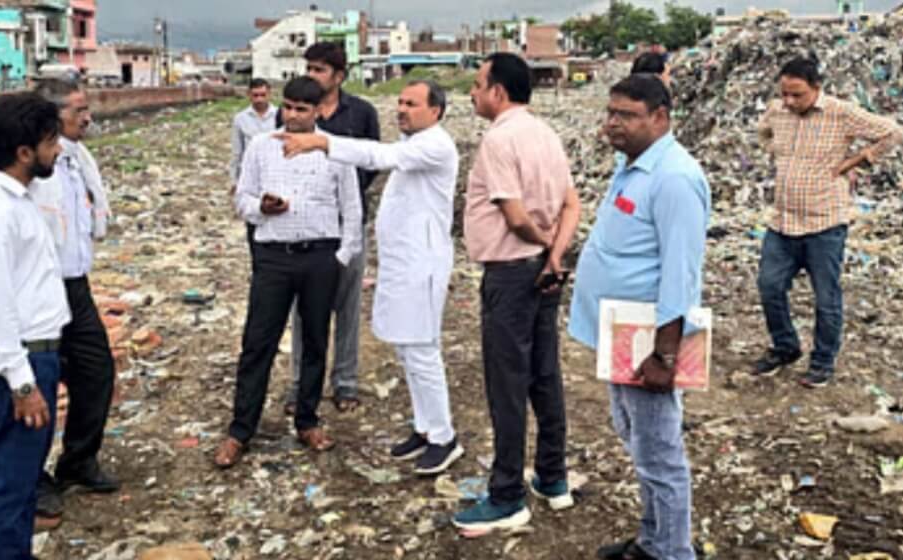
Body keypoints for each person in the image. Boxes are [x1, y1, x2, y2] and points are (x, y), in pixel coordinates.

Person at [275, 79, 463, 475]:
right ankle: (425, 427)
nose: (401, 109)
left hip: (422, 265)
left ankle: (444, 437)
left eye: (412, 103)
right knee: (407, 349)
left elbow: (377, 154)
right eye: (400, 102)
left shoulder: (435, 145)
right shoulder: (415, 144)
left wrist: (322, 142)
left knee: (422, 350)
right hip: (404, 264)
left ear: (436, 111)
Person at [568, 74, 710, 560]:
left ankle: (672, 551)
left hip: (649, 337)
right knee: (636, 438)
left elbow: (680, 274)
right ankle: (654, 539)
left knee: (659, 453)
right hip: (620, 331)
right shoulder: (634, 166)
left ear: (660, 117)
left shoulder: (675, 178)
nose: (613, 124)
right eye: (611, 113)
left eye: (626, 115)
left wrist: (665, 355)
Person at [452, 52, 582, 533]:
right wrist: (555, 256)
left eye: (478, 84)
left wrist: (545, 247)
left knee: (507, 384)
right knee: (544, 375)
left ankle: (507, 494)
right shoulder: (546, 134)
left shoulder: (499, 139)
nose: (472, 93)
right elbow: (571, 205)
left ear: (498, 91)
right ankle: (553, 476)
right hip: (542, 271)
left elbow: (515, 215)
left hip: (510, 274)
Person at [214, 76, 362, 467]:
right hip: (274, 257)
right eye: (289, 107)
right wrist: (261, 207)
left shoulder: (334, 150)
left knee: (315, 340)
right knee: (258, 342)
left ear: (318, 111)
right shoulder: (262, 147)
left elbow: (352, 209)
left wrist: (342, 257)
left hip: (320, 257)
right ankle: (240, 430)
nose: (293, 116)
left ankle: (307, 421)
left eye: (302, 109)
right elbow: (242, 199)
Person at [0, 92, 69, 559]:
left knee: (23, 478)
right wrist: (23, 385)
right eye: (50, 142)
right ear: (24, 152)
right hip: (18, 362)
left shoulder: (17, 200)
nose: (58, 150)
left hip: (35, 355)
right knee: (13, 479)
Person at [753, 56, 903, 387]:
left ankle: (822, 361)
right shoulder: (778, 111)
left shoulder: (840, 112)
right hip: (783, 221)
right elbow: (763, 132)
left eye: (797, 95)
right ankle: (785, 346)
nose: (789, 101)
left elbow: (893, 132)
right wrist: (777, 153)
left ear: (817, 88)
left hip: (825, 223)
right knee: (769, 285)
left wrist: (858, 161)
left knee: (826, 297)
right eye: (784, 94)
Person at [28, 79, 120, 523]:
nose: (87, 118)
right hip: (39, 289)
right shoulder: (33, 164)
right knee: (40, 383)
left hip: (75, 287)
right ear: (52, 115)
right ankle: (33, 478)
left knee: (96, 370)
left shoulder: (78, 158)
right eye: (78, 110)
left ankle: (78, 460)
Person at [282, 42, 381, 415]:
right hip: (306, 227)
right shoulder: (294, 115)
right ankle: (299, 386)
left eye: (320, 69)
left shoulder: (361, 113)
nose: (312, 75)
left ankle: (345, 382)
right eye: (308, 68)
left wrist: (343, 196)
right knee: (302, 310)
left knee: (348, 306)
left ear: (339, 76)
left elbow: (371, 162)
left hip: (348, 224)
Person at [230, 78, 279, 252]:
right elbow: (237, 152)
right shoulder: (240, 119)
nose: (259, 99)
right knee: (253, 217)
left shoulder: (279, 116)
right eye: (255, 95)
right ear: (248, 95)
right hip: (250, 176)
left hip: (275, 174)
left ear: (269, 94)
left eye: (263, 95)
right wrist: (234, 181)